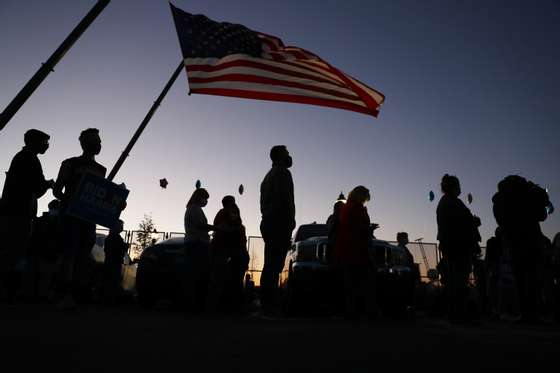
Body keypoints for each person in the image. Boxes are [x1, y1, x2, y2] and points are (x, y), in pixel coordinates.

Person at [53, 128, 106, 308]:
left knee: (83, 255)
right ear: (84, 143)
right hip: (70, 216)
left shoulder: (101, 169)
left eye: (99, 140)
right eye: (95, 140)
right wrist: (72, 200)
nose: (98, 144)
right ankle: (63, 293)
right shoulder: (70, 163)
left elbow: (102, 196)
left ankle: (78, 292)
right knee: (69, 254)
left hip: (88, 220)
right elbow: (57, 190)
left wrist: (116, 204)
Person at [0, 129, 54, 303]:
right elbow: (37, 187)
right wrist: (48, 184)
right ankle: (8, 290)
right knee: (13, 252)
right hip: (18, 213)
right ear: (34, 142)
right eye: (44, 142)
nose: (47, 146)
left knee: (11, 251)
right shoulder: (30, 159)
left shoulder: (22, 157)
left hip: (14, 212)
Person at [492, 175, 550, 323]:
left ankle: (524, 313)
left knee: (520, 278)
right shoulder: (528, 195)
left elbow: (500, 222)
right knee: (533, 278)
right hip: (532, 241)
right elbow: (543, 215)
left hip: (514, 243)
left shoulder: (499, 201)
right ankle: (534, 314)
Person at [436, 174, 481, 323]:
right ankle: (459, 314)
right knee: (459, 280)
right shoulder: (454, 203)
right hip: (459, 247)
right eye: (459, 186)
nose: (461, 189)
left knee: (454, 280)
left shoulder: (445, 203)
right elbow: (461, 225)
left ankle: (454, 313)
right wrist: (474, 222)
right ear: (454, 187)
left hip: (452, 246)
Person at [259, 145, 296, 314]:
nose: (290, 157)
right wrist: (290, 220)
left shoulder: (268, 176)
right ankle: (270, 303)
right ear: (280, 156)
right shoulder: (282, 173)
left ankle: (266, 301)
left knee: (270, 264)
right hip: (279, 223)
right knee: (274, 265)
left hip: (269, 222)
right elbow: (285, 199)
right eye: (287, 154)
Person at [334, 186, 377, 320]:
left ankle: (351, 311)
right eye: (365, 197)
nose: (366, 200)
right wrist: (370, 229)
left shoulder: (347, 208)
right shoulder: (357, 209)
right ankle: (362, 311)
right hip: (356, 249)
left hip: (347, 249)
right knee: (362, 281)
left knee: (350, 282)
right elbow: (359, 229)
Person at [207, 196, 249, 313]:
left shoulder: (221, 216)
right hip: (229, 252)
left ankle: (216, 307)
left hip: (225, 252)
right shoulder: (232, 219)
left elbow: (220, 228)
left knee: (219, 280)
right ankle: (232, 307)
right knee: (230, 281)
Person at [24, 199, 62, 301]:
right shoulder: (60, 223)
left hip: (39, 251)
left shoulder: (40, 221)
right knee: (46, 276)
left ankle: (33, 294)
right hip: (47, 252)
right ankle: (42, 295)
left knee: (36, 275)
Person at [184, 188, 214, 311]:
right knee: (198, 274)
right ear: (199, 197)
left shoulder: (192, 208)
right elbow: (200, 225)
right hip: (197, 243)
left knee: (194, 274)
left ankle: (193, 303)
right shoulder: (195, 209)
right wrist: (215, 228)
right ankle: (195, 304)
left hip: (194, 243)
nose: (206, 201)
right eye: (205, 198)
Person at [102, 220, 127, 304]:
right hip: (114, 262)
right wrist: (124, 247)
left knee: (110, 280)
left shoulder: (110, 237)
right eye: (120, 226)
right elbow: (116, 250)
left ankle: (108, 298)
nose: (122, 227)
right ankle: (110, 299)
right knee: (113, 280)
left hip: (111, 261)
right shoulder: (115, 238)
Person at [396, 232, 419, 309]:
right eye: (406, 237)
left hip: (408, 274)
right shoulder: (400, 249)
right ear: (402, 239)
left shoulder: (403, 248)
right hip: (406, 275)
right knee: (407, 292)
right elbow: (402, 262)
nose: (407, 239)